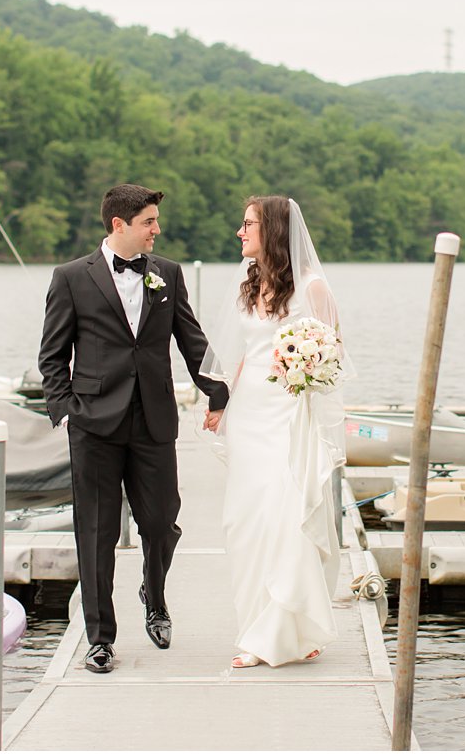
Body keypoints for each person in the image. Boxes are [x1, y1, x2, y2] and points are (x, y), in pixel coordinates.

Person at [38, 183, 228, 675]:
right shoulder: (70, 278)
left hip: (153, 419)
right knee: (95, 533)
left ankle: (155, 594)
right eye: (148, 222)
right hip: (93, 424)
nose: (157, 230)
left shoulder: (166, 274)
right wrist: (63, 409)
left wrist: (219, 390)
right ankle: (100, 638)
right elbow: (53, 355)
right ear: (119, 225)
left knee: (163, 522)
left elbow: (191, 339)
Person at [201, 195, 350, 669]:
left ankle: (282, 632)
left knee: (284, 520)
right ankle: (258, 624)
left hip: (288, 418)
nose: (240, 233)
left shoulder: (313, 289)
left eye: (248, 225)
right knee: (243, 522)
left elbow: (334, 353)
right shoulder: (250, 285)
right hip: (248, 415)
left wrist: (306, 368)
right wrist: (221, 402)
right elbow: (247, 352)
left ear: (274, 231)